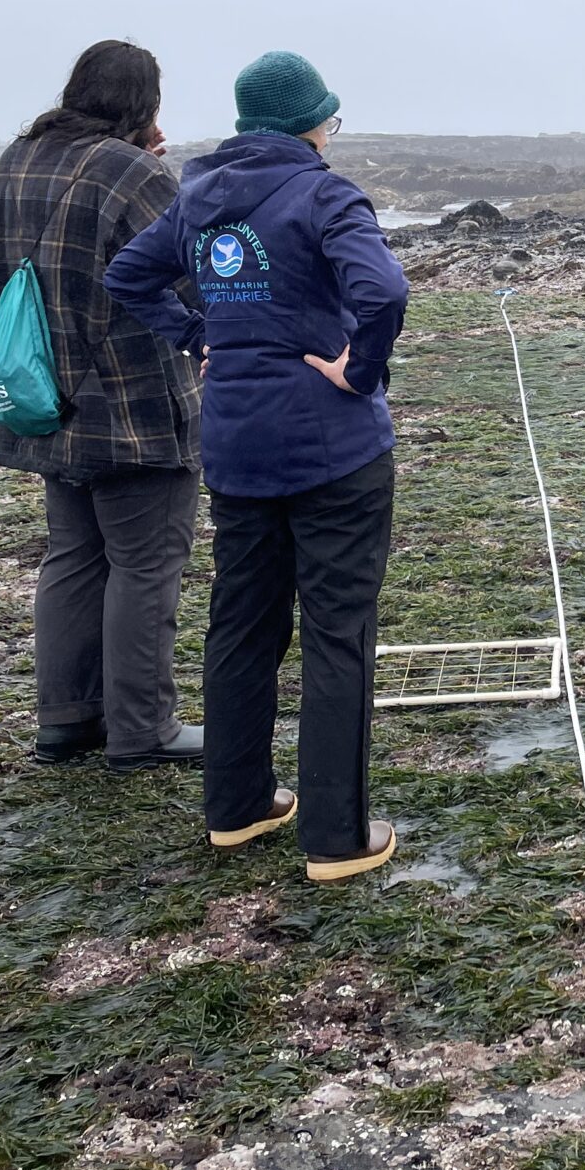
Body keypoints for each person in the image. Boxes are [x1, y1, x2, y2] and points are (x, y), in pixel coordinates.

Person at [106, 50, 409, 883]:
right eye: (330, 121)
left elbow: (129, 275)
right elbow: (382, 291)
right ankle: (339, 837)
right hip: (334, 449)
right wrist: (360, 368)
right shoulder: (324, 192)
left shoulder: (198, 197)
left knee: (241, 626)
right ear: (312, 123)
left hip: (236, 448)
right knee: (338, 634)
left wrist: (201, 335)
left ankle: (236, 807)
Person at [0, 40, 203, 771]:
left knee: (73, 556)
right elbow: (191, 275)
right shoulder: (133, 171)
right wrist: (152, 164)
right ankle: (145, 730)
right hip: (133, 406)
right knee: (146, 563)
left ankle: (66, 720)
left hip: (46, 397)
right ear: (145, 106)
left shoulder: (17, 160)